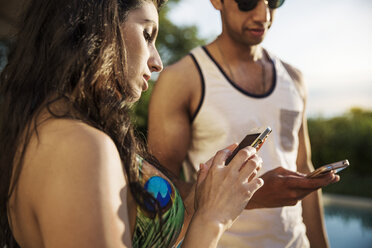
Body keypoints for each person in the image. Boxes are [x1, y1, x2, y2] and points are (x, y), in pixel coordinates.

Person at [0, 0, 265, 247]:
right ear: (98, 23)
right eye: (147, 35)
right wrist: (212, 220)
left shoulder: (57, 129)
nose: (158, 62)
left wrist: (204, 199)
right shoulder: (79, 146)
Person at [148, 0, 340, 247]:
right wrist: (254, 196)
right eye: (248, 2)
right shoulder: (182, 78)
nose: (263, 15)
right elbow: (160, 188)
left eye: (273, 2)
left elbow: (303, 166)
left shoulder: (294, 79)